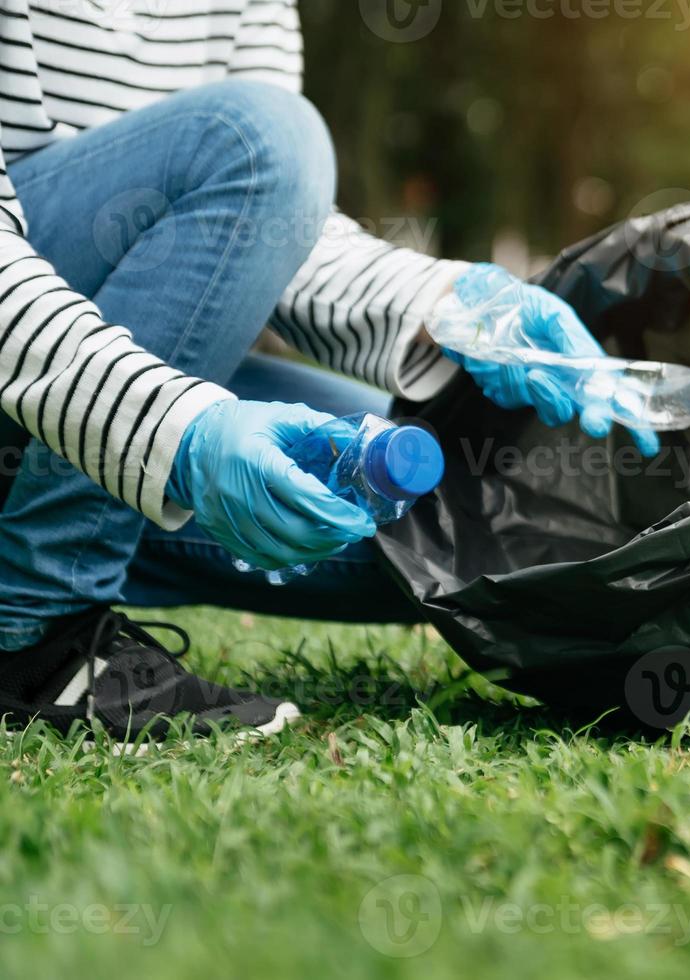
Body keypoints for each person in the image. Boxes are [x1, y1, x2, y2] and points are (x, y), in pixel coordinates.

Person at [0, 2, 655, 744]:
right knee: (265, 134)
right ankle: (34, 631)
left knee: (457, 525)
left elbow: (263, 219)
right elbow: (261, 152)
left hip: (83, 382)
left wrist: (447, 306)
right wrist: (173, 431)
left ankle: (42, 511)